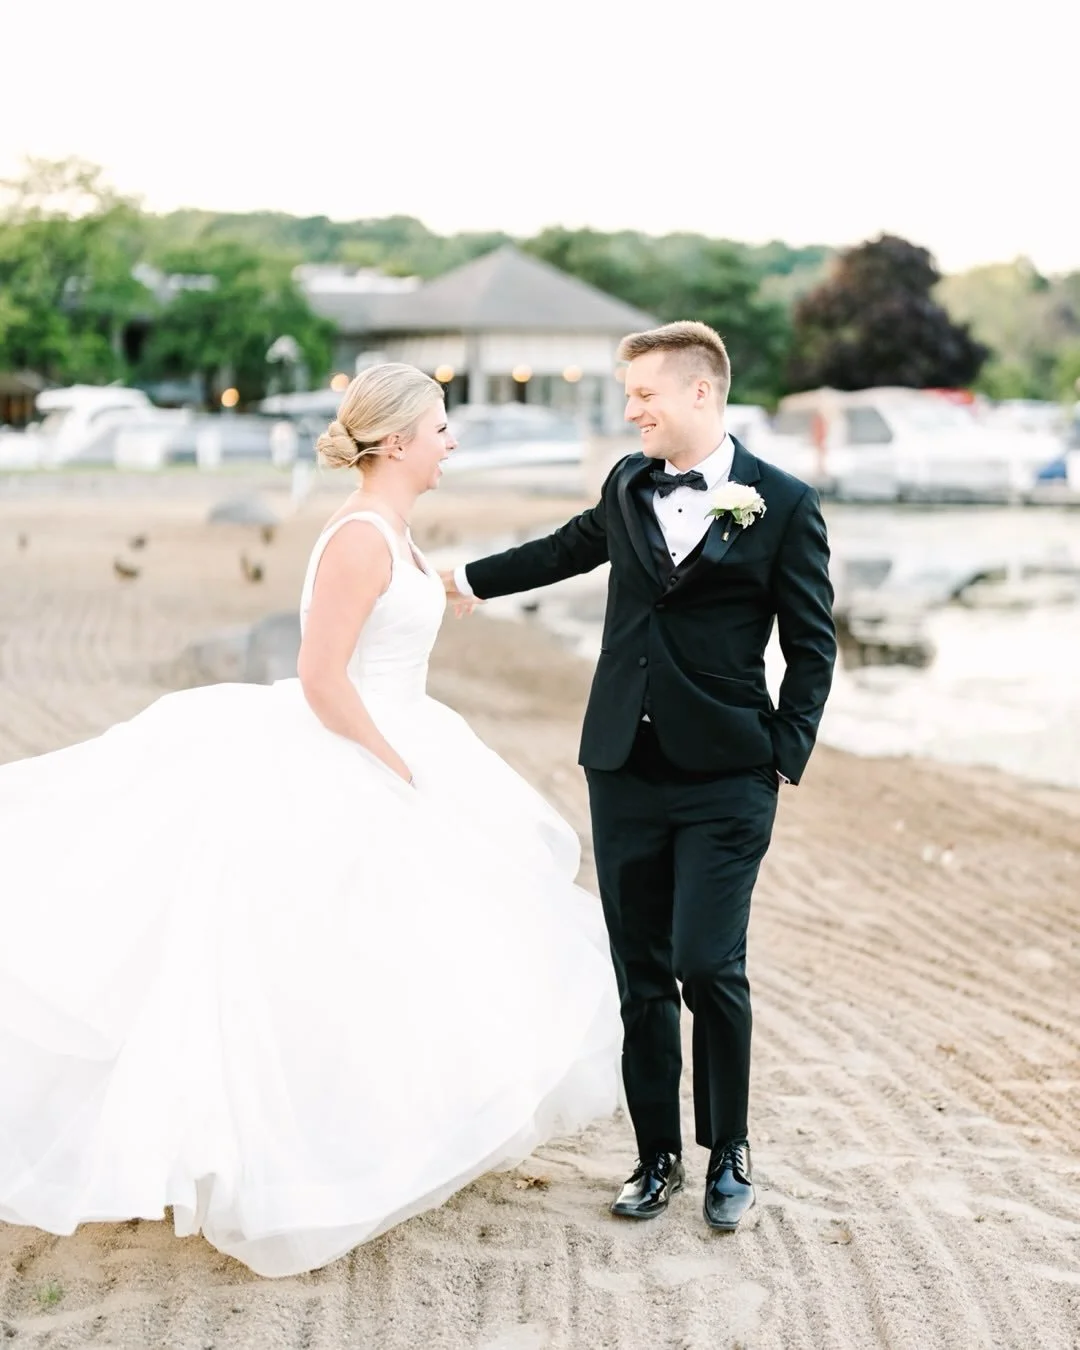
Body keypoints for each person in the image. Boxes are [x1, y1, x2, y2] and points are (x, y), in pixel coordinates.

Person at [0, 363, 620, 1278]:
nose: (452, 442)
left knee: (399, 958)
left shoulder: (395, 533)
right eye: (441, 428)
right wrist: (394, 767)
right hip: (354, 747)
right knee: (317, 962)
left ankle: (379, 1127)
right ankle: (309, 1155)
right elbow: (323, 676)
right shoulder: (361, 538)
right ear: (399, 440)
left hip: (402, 733)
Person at [444, 322, 836, 1232]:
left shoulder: (785, 503)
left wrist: (782, 752)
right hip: (622, 765)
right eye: (630, 397)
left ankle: (729, 1150)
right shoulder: (627, 483)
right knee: (642, 973)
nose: (631, 412)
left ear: (701, 392)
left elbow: (813, 646)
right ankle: (656, 1155)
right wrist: (457, 580)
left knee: (710, 964)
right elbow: (563, 549)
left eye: (645, 395)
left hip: (729, 775)